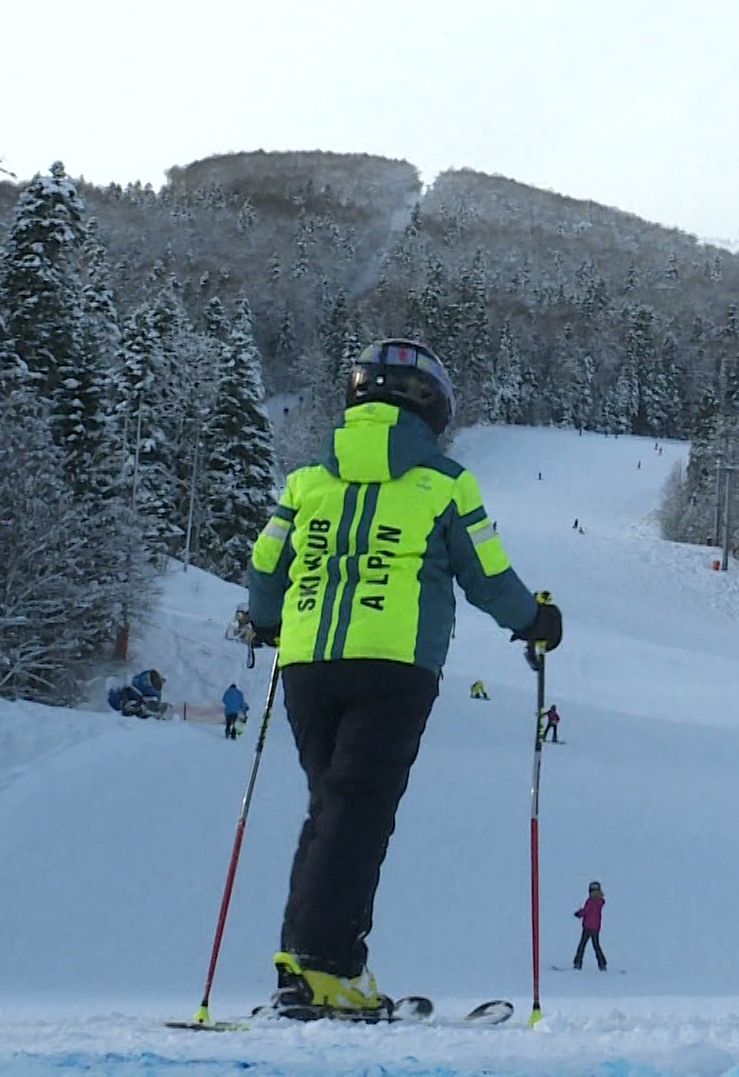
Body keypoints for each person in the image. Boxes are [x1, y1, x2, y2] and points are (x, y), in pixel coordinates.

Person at [246, 338, 562, 1017]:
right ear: (433, 407)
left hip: (306, 662)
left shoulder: (307, 481)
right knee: (359, 810)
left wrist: (265, 619)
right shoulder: (443, 482)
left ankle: (319, 966)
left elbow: (265, 563)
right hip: (393, 664)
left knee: (332, 809)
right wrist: (533, 622)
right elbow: (484, 572)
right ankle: (323, 965)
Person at [573, 880, 607, 971]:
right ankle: (602, 964)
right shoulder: (599, 902)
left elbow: (586, 911)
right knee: (596, 946)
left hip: (588, 927)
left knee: (582, 945)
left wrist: (579, 913)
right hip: (595, 928)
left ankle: (578, 962)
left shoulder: (591, 901)